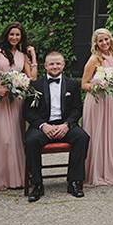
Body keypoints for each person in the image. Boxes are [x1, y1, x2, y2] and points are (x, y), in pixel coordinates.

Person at [0, 22, 37, 191]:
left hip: (16, 100)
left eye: (18, 35)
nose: (14, 38)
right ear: (6, 35)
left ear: (21, 37)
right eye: (12, 34)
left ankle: (15, 177)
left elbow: (32, 77)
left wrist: (33, 56)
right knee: (3, 138)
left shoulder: (22, 55)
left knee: (15, 138)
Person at [23, 51, 90, 202]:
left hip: (65, 125)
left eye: (58, 63)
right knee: (32, 141)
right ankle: (37, 184)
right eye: (51, 64)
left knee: (82, 137)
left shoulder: (72, 84)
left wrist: (67, 125)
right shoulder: (34, 85)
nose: (55, 66)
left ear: (63, 65)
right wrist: (42, 125)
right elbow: (28, 112)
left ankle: (74, 182)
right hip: (43, 126)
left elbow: (77, 109)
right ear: (45, 66)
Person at [81, 28, 113, 187]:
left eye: (106, 39)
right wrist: (98, 86)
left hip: (111, 101)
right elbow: (84, 84)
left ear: (111, 40)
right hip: (97, 101)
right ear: (96, 43)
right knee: (98, 135)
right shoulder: (95, 59)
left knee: (110, 134)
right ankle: (96, 172)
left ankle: (110, 170)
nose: (104, 43)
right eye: (101, 41)